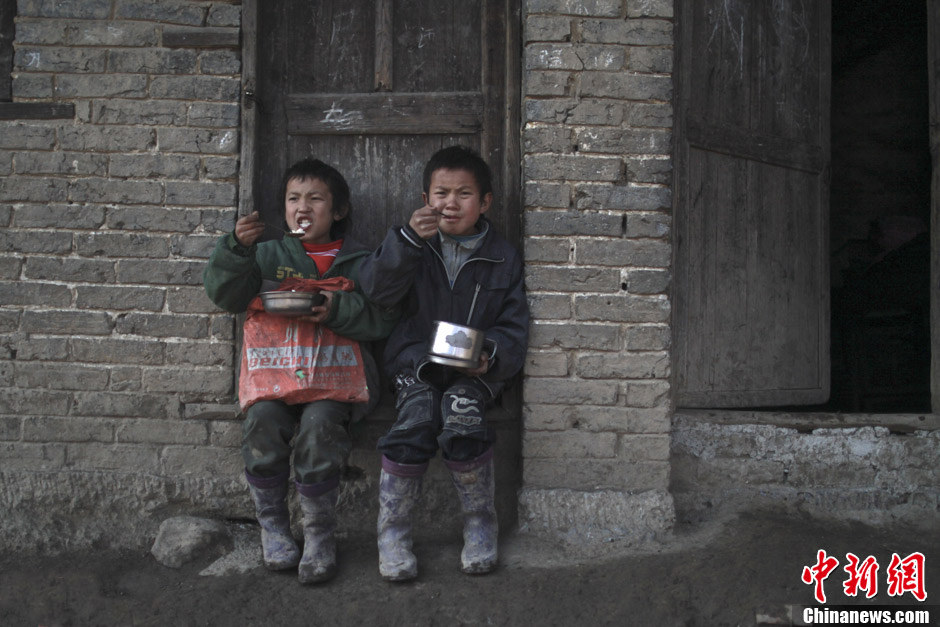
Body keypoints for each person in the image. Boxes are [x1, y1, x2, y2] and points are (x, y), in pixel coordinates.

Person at [203, 158, 398, 584]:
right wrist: (236, 247)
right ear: (285, 210)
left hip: (334, 385)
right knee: (262, 423)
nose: (302, 207)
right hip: (275, 380)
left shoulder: (360, 261)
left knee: (319, 428)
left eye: (315, 198)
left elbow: (382, 319)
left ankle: (318, 537)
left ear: (338, 210)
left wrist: (335, 308)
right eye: (294, 199)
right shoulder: (266, 255)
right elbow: (226, 295)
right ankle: (273, 528)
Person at [358, 145, 529, 581]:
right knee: (415, 421)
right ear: (424, 199)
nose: (450, 203)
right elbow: (376, 292)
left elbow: (514, 326)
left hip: (475, 372)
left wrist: (490, 356)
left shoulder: (503, 257)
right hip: (414, 363)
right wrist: (407, 242)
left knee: (463, 417)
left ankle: (479, 526)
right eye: (441, 193)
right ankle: (392, 533)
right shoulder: (410, 243)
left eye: (464, 194)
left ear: (485, 202)